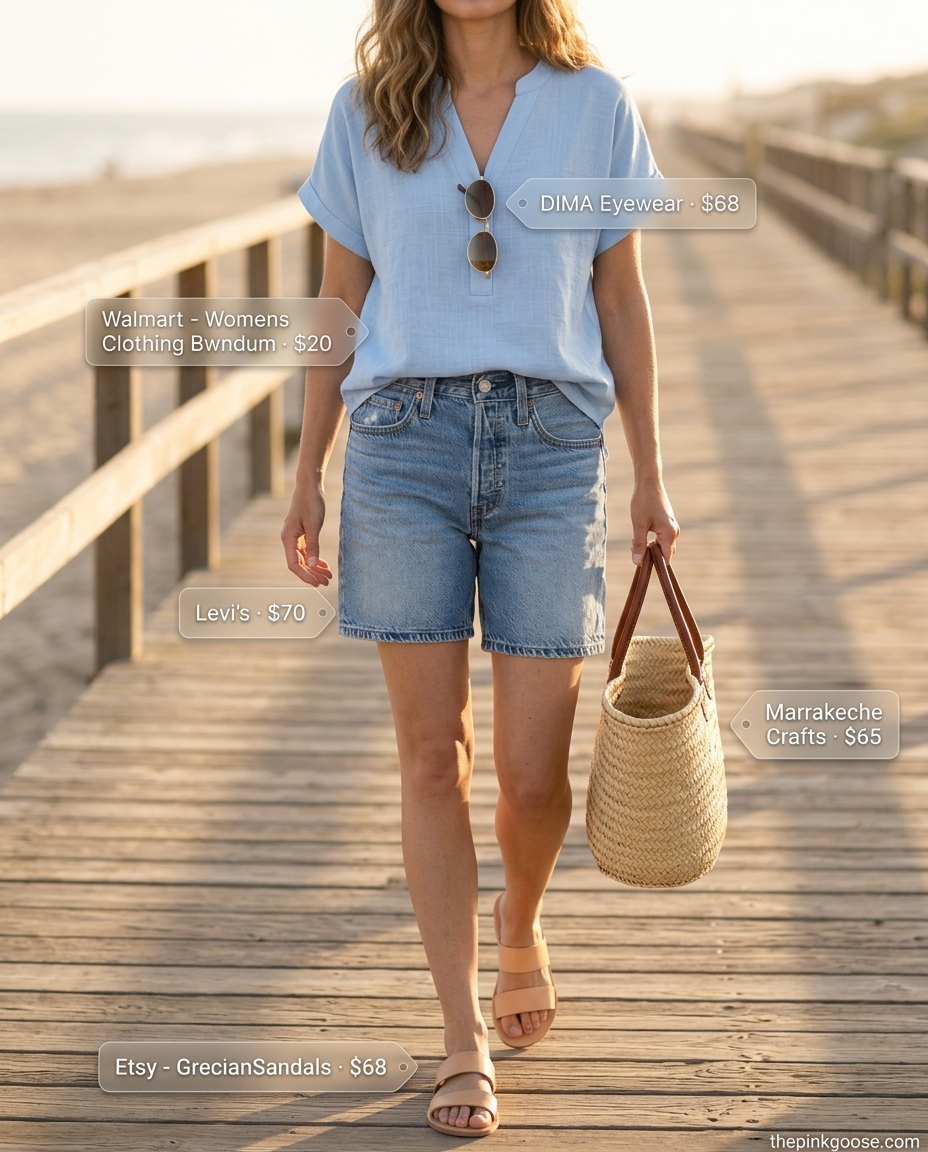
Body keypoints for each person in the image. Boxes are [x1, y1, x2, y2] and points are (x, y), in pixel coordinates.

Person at [282, 0, 678, 1136]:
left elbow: (619, 296)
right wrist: (308, 469)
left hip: (551, 451)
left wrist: (651, 476)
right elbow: (338, 301)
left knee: (533, 776)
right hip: (400, 444)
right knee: (430, 758)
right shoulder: (366, 111)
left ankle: (522, 920)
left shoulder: (595, 106)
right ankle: (461, 1037)